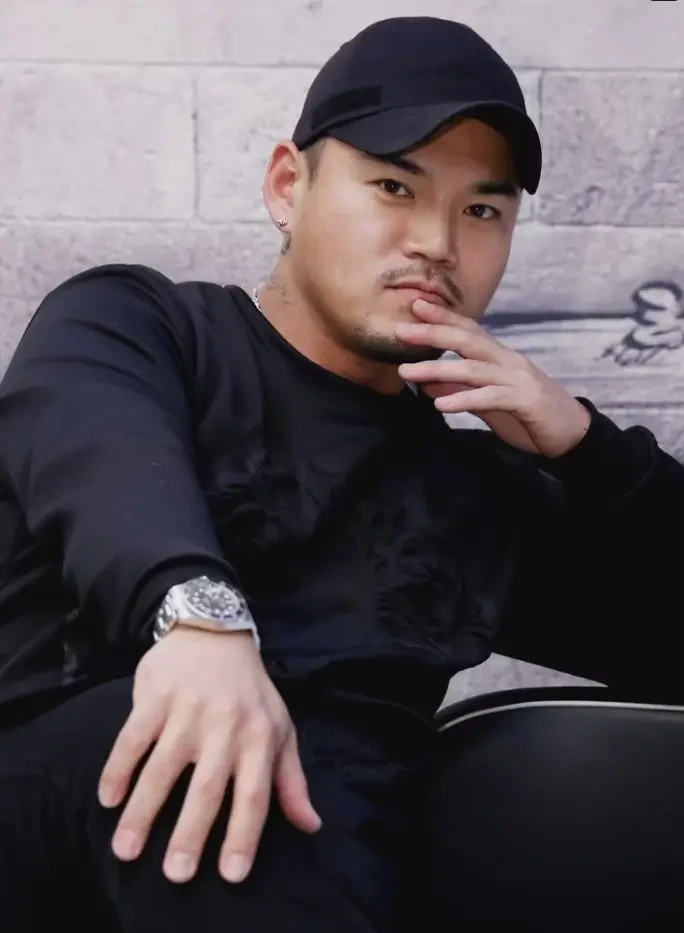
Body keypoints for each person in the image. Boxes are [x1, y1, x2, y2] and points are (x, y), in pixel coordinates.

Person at [0, 15, 682, 933]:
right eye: (395, 186)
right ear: (289, 186)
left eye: (482, 211)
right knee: (215, 756)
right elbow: (98, 459)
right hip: (67, 829)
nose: (437, 241)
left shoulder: (473, 493)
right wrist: (201, 623)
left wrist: (589, 449)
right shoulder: (144, 328)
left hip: (332, 878)